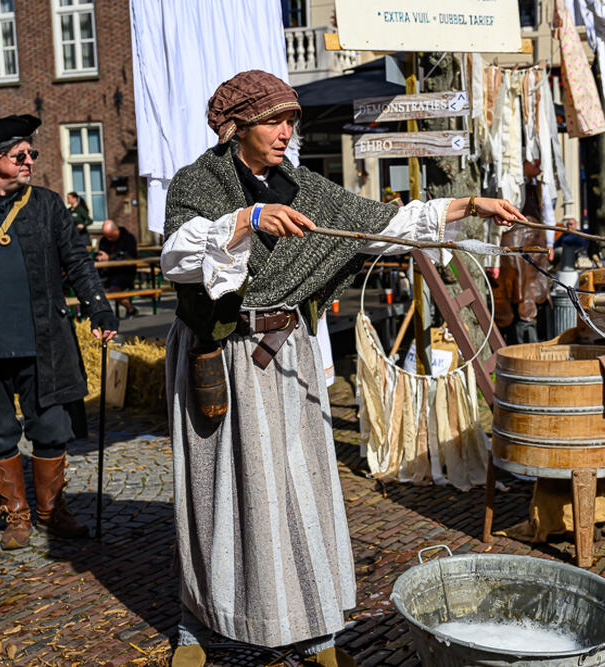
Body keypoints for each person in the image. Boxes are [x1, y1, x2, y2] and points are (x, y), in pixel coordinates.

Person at [160, 70, 525, 667]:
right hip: (221, 355)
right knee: (218, 494)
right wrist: (248, 220)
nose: (286, 132)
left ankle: (315, 632)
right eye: (273, 121)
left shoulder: (303, 187)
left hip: (288, 355)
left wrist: (469, 205)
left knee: (301, 489)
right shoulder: (197, 183)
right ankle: (196, 624)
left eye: (291, 120)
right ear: (237, 127)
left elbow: (383, 224)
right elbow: (177, 256)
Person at [0, 114, 118, 550]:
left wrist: (100, 309)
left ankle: (52, 511)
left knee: (50, 429)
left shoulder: (46, 205)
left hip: (43, 340)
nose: (30, 161)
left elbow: (78, 260)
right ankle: (17, 516)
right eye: (20, 155)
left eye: (32, 153)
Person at [96, 219, 139, 318]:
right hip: (107, 272)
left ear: (117, 231)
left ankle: (130, 309)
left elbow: (128, 256)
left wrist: (109, 257)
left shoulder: (128, 239)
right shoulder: (104, 240)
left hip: (125, 272)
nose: (109, 239)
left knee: (113, 291)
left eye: (111, 236)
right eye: (106, 236)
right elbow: (101, 254)